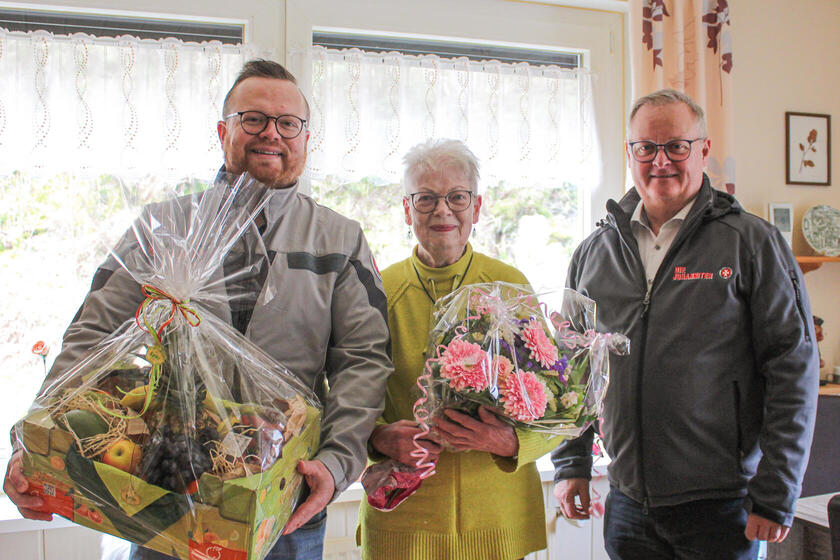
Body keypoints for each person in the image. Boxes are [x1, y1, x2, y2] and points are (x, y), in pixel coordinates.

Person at [3, 59, 393, 560]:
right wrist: (30, 446)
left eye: (287, 123)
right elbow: (91, 340)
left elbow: (363, 361)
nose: (271, 133)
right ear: (222, 130)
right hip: (163, 491)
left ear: (305, 138)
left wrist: (337, 464)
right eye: (253, 118)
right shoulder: (162, 228)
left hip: (285, 506)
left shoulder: (340, 240)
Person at [551, 89, 820, 559]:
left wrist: (776, 494)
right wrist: (571, 460)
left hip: (722, 508)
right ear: (629, 152)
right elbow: (573, 366)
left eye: (677, 146)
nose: (661, 161)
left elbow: (792, 369)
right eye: (646, 148)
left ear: (703, 150)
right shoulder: (593, 253)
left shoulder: (751, 243)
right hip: (628, 504)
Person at [357, 138, 563, 560]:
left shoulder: (508, 286)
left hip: (497, 518)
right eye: (426, 198)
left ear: (478, 206)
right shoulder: (379, 289)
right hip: (403, 519)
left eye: (457, 197)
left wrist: (510, 441)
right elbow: (342, 392)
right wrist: (377, 436)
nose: (443, 210)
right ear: (406, 208)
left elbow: (558, 403)